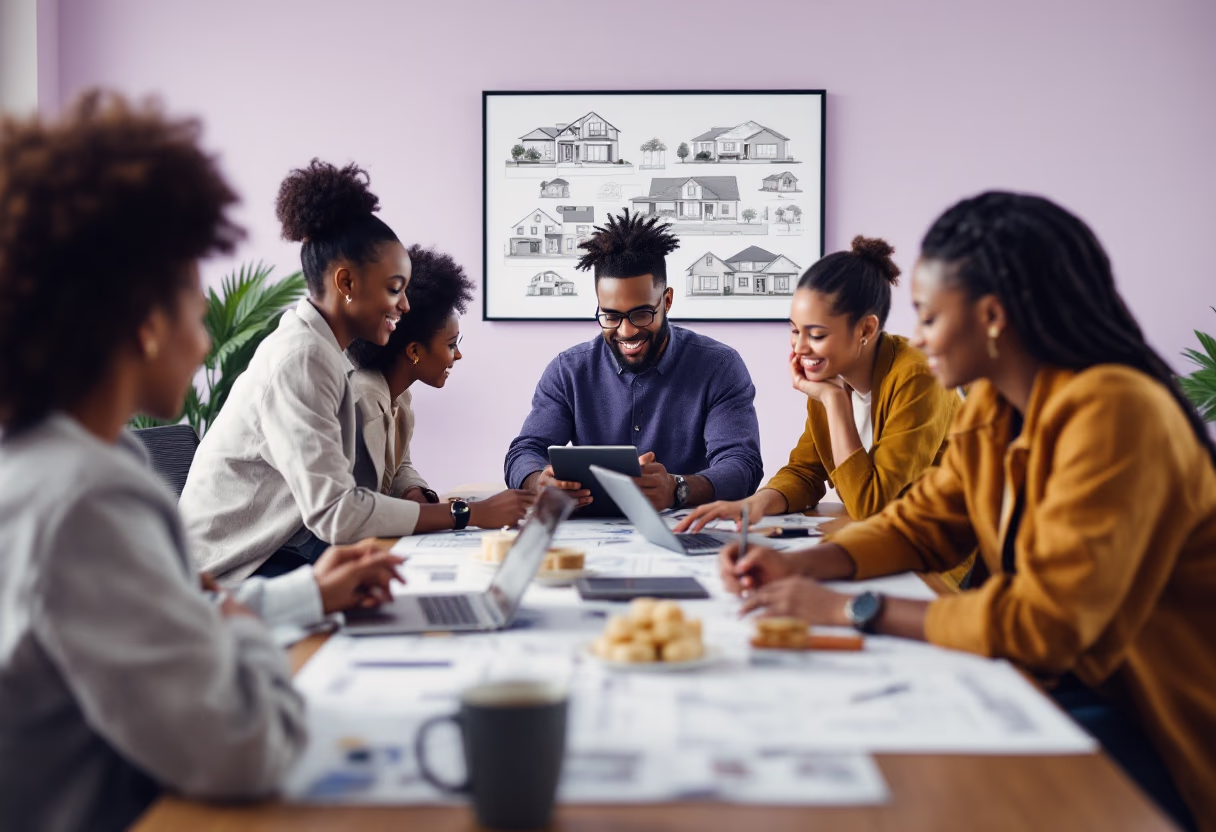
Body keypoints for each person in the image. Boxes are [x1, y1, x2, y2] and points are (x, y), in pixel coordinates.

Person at [719, 192, 1214, 831]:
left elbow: (1047, 622)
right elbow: (923, 521)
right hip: (1048, 686)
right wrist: (805, 565)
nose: (917, 336)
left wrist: (847, 607)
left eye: (928, 315)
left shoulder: (1116, 409)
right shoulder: (991, 407)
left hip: (1145, 721)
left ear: (992, 317)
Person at [0, 92, 380, 831]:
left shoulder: (43, 463)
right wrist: (239, 623)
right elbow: (246, 747)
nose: (206, 343)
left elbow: (172, 625)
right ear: (145, 323)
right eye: (192, 310)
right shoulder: (89, 497)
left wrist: (299, 598)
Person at [180, 161, 535, 582]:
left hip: (283, 553)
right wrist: (468, 513)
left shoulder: (323, 352)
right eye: (394, 289)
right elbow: (338, 514)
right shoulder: (302, 359)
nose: (404, 307)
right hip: (236, 573)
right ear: (346, 284)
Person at [677, 236, 959, 532]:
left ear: (866, 328)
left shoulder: (919, 376)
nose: (800, 348)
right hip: (883, 537)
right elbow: (804, 472)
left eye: (817, 335)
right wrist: (753, 505)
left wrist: (835, 402)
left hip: (940, 547)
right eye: (795, 330)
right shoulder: (833, 377)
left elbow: (870, 503)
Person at [504, 210, 764, 512]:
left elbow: (742, 465)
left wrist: (678, 488)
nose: (626, 331)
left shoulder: (719, 367)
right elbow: (524, 451)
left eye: (641, 314)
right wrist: (540, 482)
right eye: (611, 316)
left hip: (688, 531)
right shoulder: (568, 371)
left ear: (666, 301)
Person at [346, 244, 477, 501]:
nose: (458, 355)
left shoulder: (399, 396)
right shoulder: (364, 400)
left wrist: (416, 493)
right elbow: (359, 508)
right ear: (414, 350)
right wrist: (464, 515)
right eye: (451, 345)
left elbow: (397, 468)